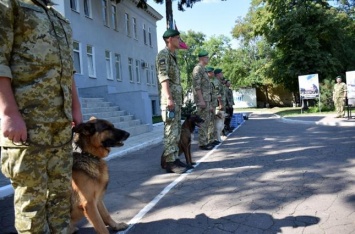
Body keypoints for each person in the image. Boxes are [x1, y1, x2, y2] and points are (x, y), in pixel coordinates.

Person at [0, 0, 83, 233]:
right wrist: (8, 113)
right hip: (27, 123)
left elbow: (68, 72)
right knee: (32, 201)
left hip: (60, 124)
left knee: (60, 195)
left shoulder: (60, 20)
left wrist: (76, 108)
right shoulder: (10, 5)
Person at [156, 29, 188, 174]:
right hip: (169, 100)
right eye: (177, 38)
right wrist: (169, 97)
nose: (179, 41)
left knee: (176, 131)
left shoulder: (173, 56)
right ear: (169, 39)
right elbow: (164, 77)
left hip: (176, 100)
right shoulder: (163, 55)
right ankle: (169, 162)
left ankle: (174, 158)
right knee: (170, 131)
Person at [192, 50, 213, 150]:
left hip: (206, 99)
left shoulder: (203, 69)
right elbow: (197, 86)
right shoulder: (198, 69)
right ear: (201, 58)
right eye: (206, 57)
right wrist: (201, 100)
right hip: (202, 100)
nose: (208, 59)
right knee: (203, 121)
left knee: (207, 120)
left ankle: (205, 141)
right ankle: (202, 143)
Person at [206, 67, 221, 146]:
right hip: (210, 104)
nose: (213, 74)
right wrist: (211, 105)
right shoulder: (210, 82)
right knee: (210, 123)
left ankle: (211, 139)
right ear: (208, 73)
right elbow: (210, 94)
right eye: (211, 72)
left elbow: (214, 94)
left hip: (213, 104)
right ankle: (209, 140)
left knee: (212, 122)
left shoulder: (210, 82)